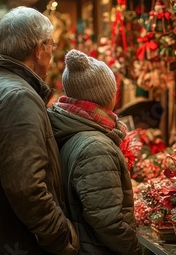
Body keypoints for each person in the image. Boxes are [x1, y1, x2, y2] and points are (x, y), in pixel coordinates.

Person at [0, 6, 78, 255]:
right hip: (10, 242)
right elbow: (27, 188)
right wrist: (62, 237)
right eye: (52, 47)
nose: (53, 55)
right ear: (39, 49)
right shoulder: (18, 97)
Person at [48, 49, 142, 255]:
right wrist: (135, 250)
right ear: (105, 95)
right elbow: (107, 221)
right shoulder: (95, 146)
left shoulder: (75, 128)